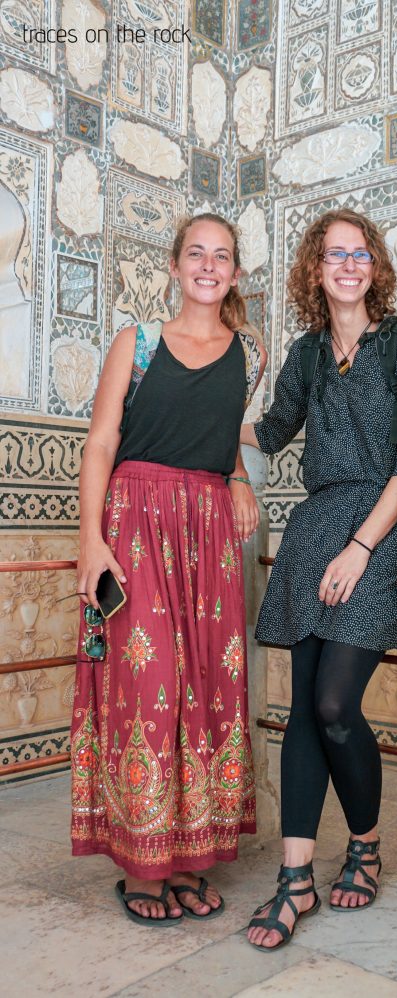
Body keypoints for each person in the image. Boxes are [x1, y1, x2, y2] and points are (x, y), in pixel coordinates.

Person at [71, 212, 267, 925]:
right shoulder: (138, 342)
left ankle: (188, 857)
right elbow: (100, 443)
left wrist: (239, 477)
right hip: (134, 521)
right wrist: (92, 542)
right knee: (146, 680)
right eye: (196, 254)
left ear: (236, 272)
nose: (208, 266)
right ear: (176, 265)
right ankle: (141, 864)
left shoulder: (252, 350)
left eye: (222, 256)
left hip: (207, 529)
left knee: (208, 684)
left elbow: (220, 432)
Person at [240, 208, 397, 950]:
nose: (348, 264)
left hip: (380, 524)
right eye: (333, 255)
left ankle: (366, 845)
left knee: (336, 702)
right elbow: (270, 431)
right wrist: (182, 399)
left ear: (374, 267)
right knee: (304, 709)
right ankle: (295, 880)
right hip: (315, 532)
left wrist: (361, 547)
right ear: (314, 269)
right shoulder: (306, 355)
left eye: (360, 254)